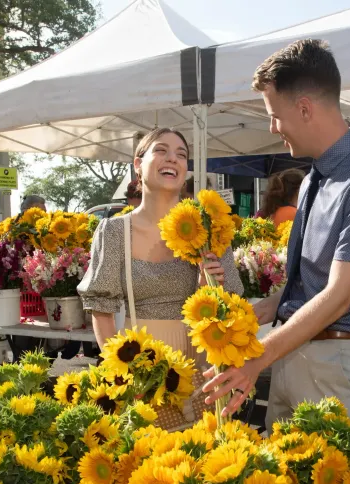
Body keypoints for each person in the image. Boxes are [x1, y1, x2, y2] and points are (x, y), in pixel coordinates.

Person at [203, 39, 350, 430]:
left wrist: (257, 357)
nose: (272, 127)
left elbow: (339, 295)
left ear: (304, 108)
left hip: (336, 365)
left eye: (274, 115)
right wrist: (260, 311)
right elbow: (311, 284)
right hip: (293, 351)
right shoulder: (316, 177)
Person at [79, 126, 243, 356]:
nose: (172, 159)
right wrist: (122, 372)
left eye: (181, 154)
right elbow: (101, 311)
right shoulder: (115, 231)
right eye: (161, 150)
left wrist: (210, 288)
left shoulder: (210, 228)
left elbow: (233, 306)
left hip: (202, 363)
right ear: (138, 164)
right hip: (139, 366)